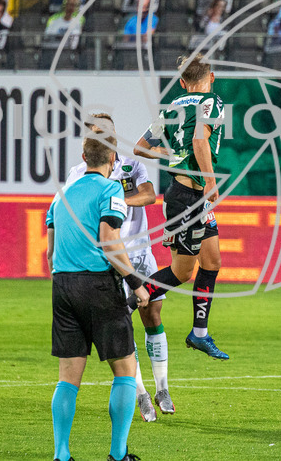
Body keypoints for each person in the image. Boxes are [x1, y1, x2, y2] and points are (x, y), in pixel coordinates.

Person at [47, 130, 149, 461]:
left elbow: (50, 248)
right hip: (98, 286)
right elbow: (109, 240)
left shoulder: (61, 195)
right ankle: (118, 455)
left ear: (83, 159)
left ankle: (61, 455)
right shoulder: (111, 189)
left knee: (67, 378)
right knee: (125, 370)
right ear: (111, 160)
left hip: (62, 284)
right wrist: (135, 282)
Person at [64, 113, 173, 422]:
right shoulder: (78, 173)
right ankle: (140, 395)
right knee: (123, 325)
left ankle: (162, 388)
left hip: (141, 255)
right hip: (111, 261)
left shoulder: (130, 165)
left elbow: (150, 195)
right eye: (93, 132)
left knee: (152, 315)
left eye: (103, 131)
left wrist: (117, 198)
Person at [134, 54, 229, 360]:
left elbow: (139, 147)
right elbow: (201, 142)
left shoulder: (173, 106)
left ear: (182, 83)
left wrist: (168, 154)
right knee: (182, 272)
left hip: (190, 197)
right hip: (188, 199)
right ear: (210, 77)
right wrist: (211, 181)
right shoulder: (212, 102)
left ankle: (199, 333)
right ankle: (123, 305)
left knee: (212, 261)